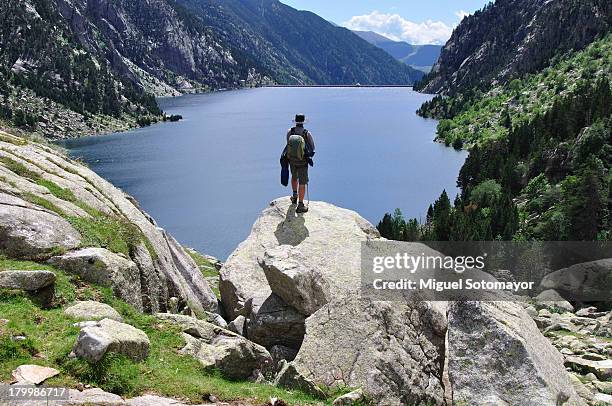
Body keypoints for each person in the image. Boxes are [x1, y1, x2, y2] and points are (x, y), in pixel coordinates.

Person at [285, 113, 315, 213]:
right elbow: (313, 149)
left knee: (294, 177)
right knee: (302, 182)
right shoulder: (307, 133)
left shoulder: (290, 132)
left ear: (296, 121)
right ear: (303, 122)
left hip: (292, 160)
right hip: (302, 162)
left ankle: (294, 197)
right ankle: (301, 205)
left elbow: (288, 144)